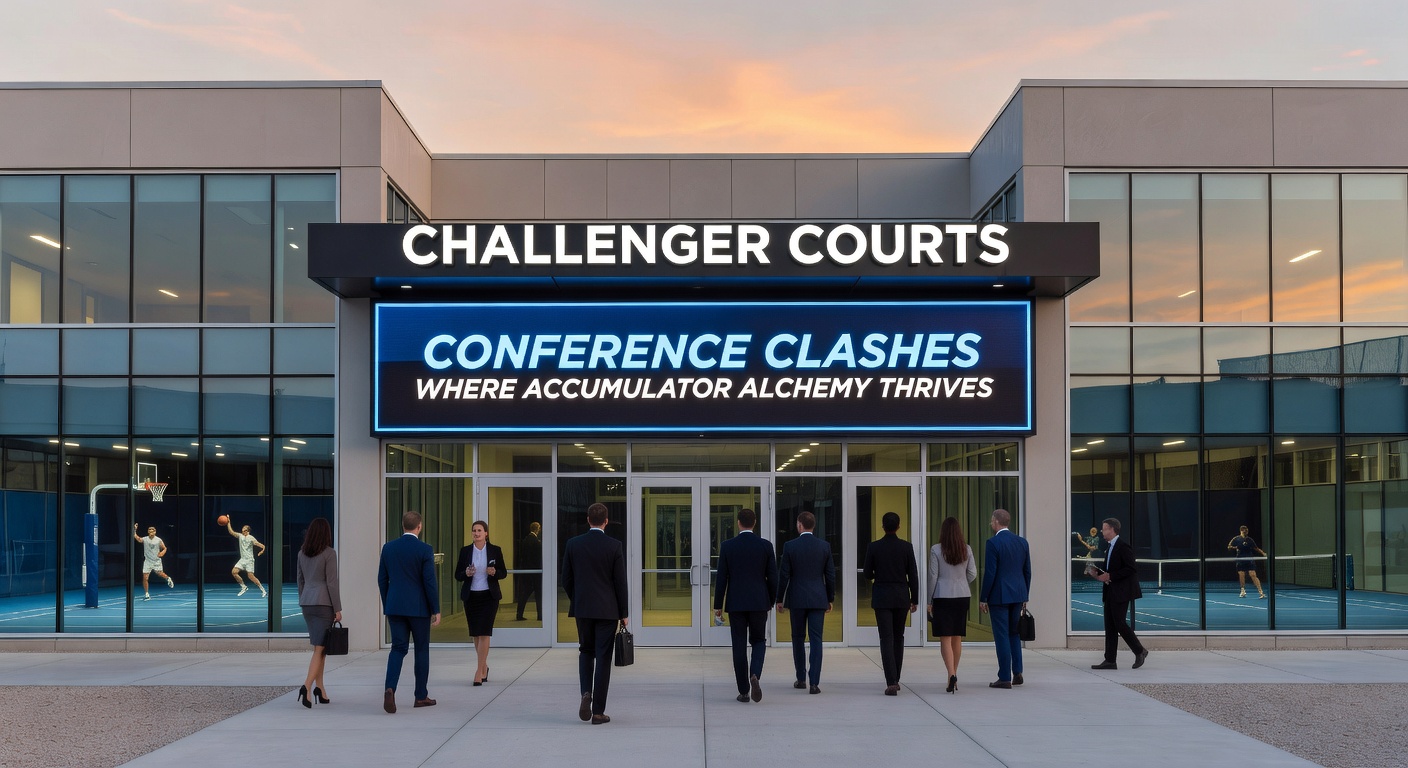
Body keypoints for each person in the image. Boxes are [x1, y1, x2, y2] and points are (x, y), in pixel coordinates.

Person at [561, 502, 629, 725]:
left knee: (585, 651)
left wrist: (578, 599)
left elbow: (566, 580)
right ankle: (598, 712)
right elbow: (620, 583)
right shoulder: (614, 546)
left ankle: (585, 693)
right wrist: (623, 612)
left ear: (588, 520)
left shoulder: (573, 544)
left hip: (583, 609)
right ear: (606, 521)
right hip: (608, 611)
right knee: (603, 658)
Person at [712, 507, 778, 703]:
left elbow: (722, 578)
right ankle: (755, 673)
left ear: (738, 523)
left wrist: (718, 606)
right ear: (754, 522)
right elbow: (773, 577)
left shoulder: (728, 546)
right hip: (759, 602)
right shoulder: (766, 546)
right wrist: (771, 600)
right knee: (758, 641)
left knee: (739, 646)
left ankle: (743, 691)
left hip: (736, 603)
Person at [378, 510, 442, 713]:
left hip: (395, 606)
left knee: (398, 649)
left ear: (403, 525)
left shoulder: (388, 548)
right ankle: (420, 696)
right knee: (421, 649)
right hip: (419, 608)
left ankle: (390, 688)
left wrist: (388, 603)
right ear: (419, 526)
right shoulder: (425, 550)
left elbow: (381, 579)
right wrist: (436, 608)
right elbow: (429, 582)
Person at [776, 511, 835, 695]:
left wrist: (780, 598)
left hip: (797, 598)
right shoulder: (824, 546)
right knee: (816, 639)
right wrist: (829, 598)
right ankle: (814, 682)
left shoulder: (790, 546)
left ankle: (801, 678)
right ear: (813, 525)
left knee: (798, 638)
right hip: (818, 598)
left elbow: (784, 574)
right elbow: (830, 575)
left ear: (800, 525)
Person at [862, 512, 919, 696]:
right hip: (901, 596)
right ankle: (897, 677)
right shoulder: (906, 547)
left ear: (882, 526)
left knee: (886, 638)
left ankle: (891, 680)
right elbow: (913, 575)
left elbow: (867, 573)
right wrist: (914, 598)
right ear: (898, 526)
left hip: (882, 597)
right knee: (898, 637)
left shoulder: (874, 547)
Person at [978, 508, 1031, 689]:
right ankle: (1017, 672)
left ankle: (1004, 676)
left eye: (991, 520)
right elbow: (1027, 571)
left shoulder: (993, 543)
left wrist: (983, 597)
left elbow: (990, 572)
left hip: (999, 595)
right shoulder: (1022, 542)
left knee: (1001, 635)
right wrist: (1025, 594)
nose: (990, 523)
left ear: (996, 521)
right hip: (1018, 594)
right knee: (1014, 633)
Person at [1090, 517, 1149, 671]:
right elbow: (1110, 569)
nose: (1102, 532)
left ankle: (1139, 650)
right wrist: (1098, 573)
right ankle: (1110, 660)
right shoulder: (1109, 547)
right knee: (1110, 625)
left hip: (1122, 592)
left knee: (1119, 623)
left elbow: (1131, 568)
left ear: (1112, 529)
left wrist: (1110, 576)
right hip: (1111, 591)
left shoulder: (1123, 547)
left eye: (1104, 528)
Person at [927, 516, 976, 694]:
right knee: (957, 636)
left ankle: (951, 673)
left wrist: (929, 600)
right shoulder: (967, 549)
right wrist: (961, 582)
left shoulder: (936, 549)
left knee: (945, 638)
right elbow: (973, 573)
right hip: (962, 595)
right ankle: (953, 675)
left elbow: (933, 576)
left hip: (942, 595)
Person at [454, 520, 507, 686]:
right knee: (476, 633)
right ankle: (484, 666)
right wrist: (467, 573)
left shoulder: (494, 550)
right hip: (471, 596)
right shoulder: (465, 551)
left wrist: (494, 572)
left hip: (488, 596)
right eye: (474, 531)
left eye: (479, 530)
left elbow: (503, 572)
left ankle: (478, 671)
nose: (476, 533)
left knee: (484, 632)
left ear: (486, 533)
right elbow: (457, 575)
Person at [296, 517, 341, 708]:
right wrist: (337, 608)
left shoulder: (301, 553)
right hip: (323, 604)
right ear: (326, 533)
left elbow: (300, 581)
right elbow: (332, 583)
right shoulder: (329, 553)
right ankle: (306, 687)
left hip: (307, 602)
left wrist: (304, 598)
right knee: (320, 648)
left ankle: (320, 689)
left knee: (319, 648)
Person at [225, 519, 267, 597]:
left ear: (247, 530)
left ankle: (263, 590)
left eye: (244, 528)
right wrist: (228, 522)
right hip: (242, 559)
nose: (242, 529)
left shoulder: (251, 538)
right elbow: (231, 532)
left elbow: (260, 545)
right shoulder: (240, 536)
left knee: (251, 576)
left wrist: (262, 550)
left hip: (249, 560)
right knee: (234, 572)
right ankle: (243, 587)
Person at [132, 524, 174, 601]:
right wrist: (135, 529)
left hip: (156, 561)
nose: (151, 532)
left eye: (152, 531)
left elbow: (165, 548)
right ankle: (147, 594)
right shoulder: (145, 539)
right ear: (148, 532)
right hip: (147, 561)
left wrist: (162, 553)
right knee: (145, 577)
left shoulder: (158, 540)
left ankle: (168, 578)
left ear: (155, 532)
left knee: (160, 573)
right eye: (149, 530)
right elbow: (136, 537)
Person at [1227, 525, 1267, 599]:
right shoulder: (1236, 539)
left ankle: (1261, 592)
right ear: (1241, 531)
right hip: (1240, 559)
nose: (1246, 532)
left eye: (1247, 531)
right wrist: (1235, 547)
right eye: (1244, 531)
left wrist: (1263, 553)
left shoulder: (1250, 540)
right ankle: (1242, 590)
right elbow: (1229, 546)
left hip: (1249, 559)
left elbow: (1256, 548)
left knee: (1253, 575)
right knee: (1242, 575)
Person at [515, 521, 543, 621]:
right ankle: (540, 615)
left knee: (524, 594)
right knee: (538, 594)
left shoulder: (525, 540)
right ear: (537, 529)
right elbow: (537, 557)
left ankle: (519, 613)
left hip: (526, 571)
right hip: (535, 572)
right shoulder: (536, 542)